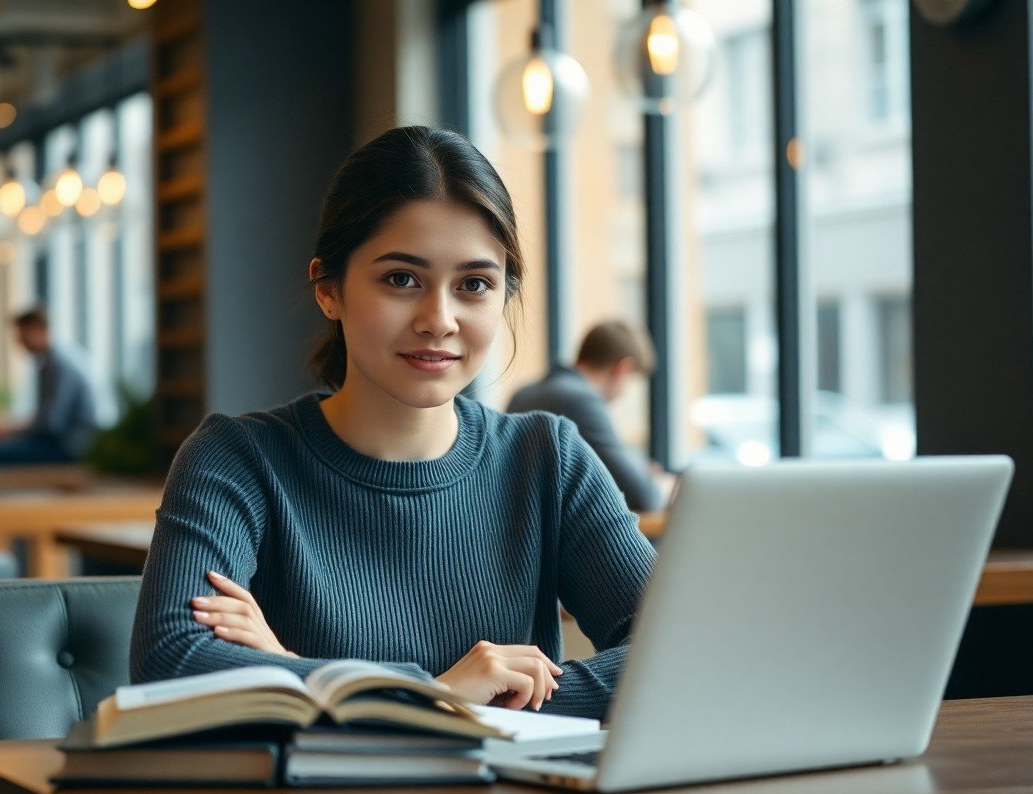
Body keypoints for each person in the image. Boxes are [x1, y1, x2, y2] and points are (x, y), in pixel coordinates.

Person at [130, 126, 655, 720]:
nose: (439, 319)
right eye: (401, 279)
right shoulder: (238, 458)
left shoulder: (547, 457)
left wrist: (299, 671)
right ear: (328, 289)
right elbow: (171, 661)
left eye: (474, 285)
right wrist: (436, 695)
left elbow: (679, 651)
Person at [506, 321, 668, 512]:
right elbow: (643, 497)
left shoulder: (524, 393)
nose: (624, 394)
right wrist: (660, 484)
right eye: (630, 381)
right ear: (622, 369)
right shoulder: (582, 400)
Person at [0, 307, 97, 466]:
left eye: (21, 334)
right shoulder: (57, 360)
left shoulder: (59, 365)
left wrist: (9, 431)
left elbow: (51, 424)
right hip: (70, 441)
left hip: (73, 446)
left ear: (37, 329)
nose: (18, 341)